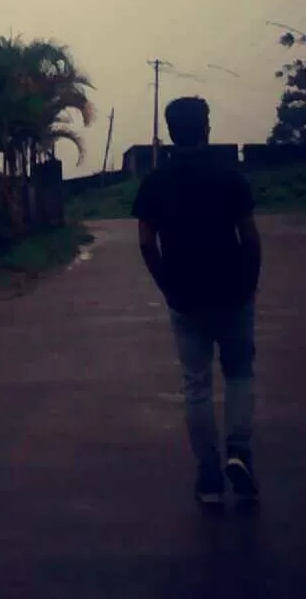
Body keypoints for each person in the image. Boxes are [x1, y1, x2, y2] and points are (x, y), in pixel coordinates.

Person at [132, 97, 262, 506]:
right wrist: (249, 285)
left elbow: (146, 243)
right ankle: (239, 452)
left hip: (186, 298)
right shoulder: (229, 176)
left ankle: (208, 475)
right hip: (233, 292)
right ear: (206, 127)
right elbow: (251, 238)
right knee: (239, 373)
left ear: (170, 131)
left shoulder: (155, 182)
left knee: (197, 385)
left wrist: (167, 286)